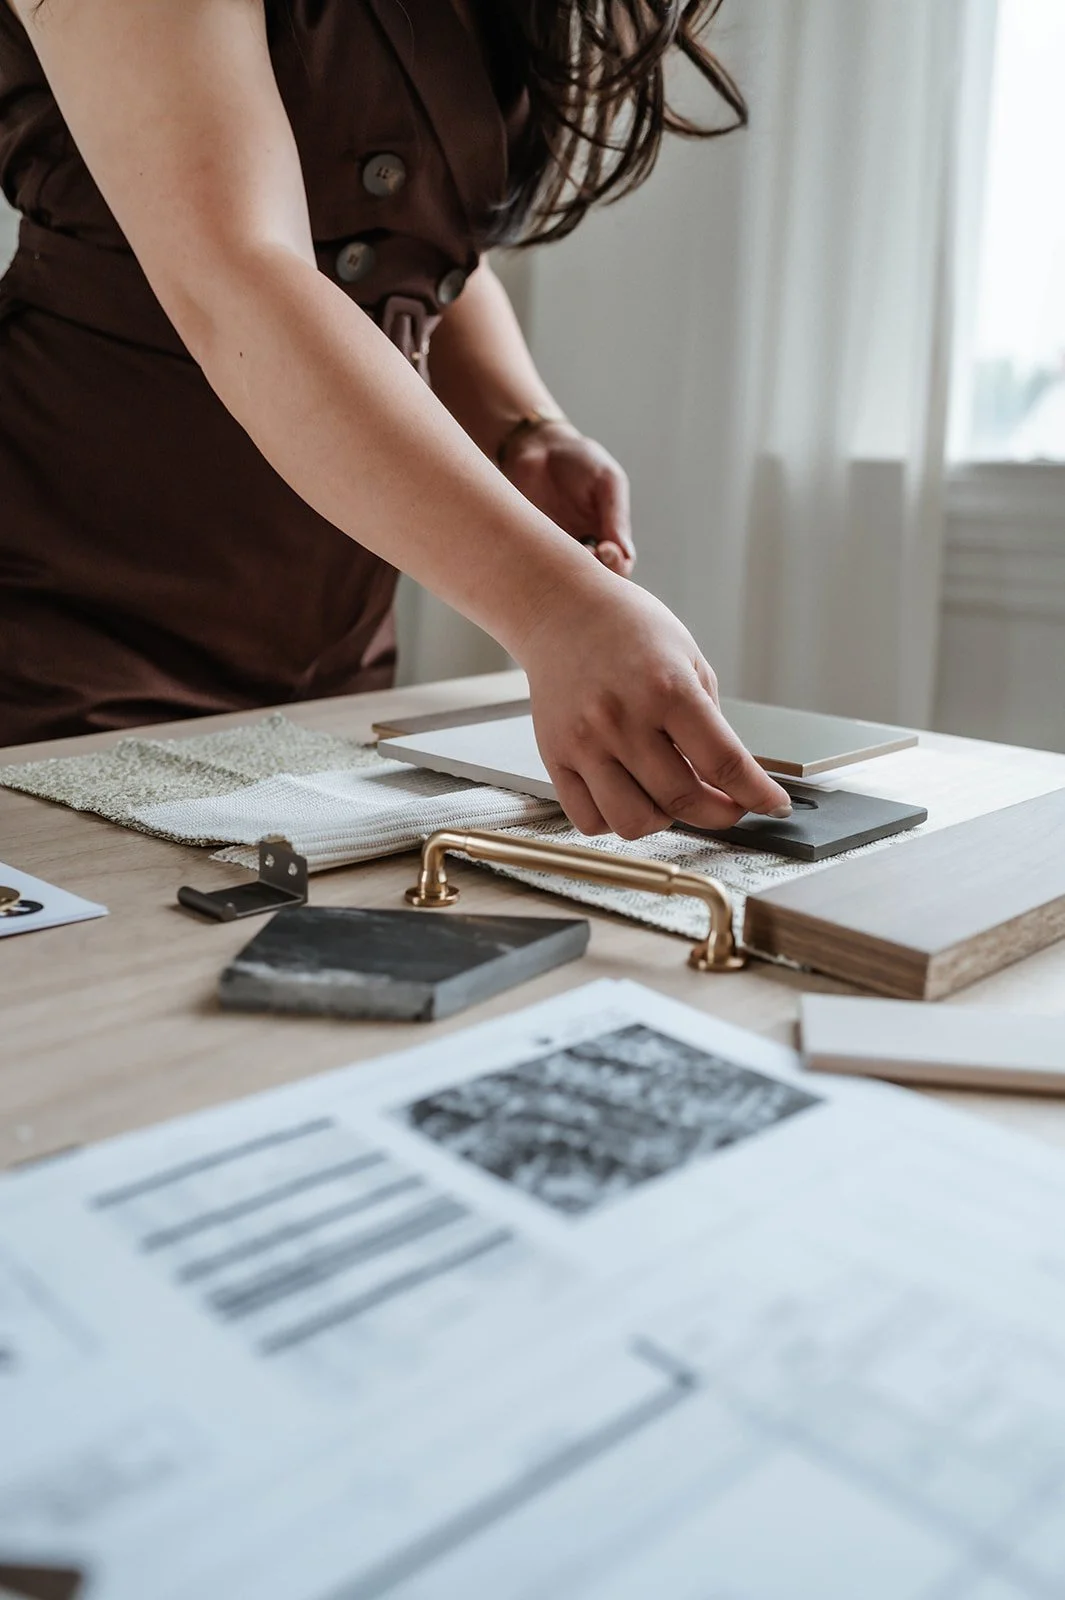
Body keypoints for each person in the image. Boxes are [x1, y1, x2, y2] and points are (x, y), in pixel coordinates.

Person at [0, 0, 791, 839]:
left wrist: (522, 425)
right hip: (60, 611)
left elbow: (410, 252)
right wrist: (554, 606)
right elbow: (236, 275)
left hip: (333, 648)